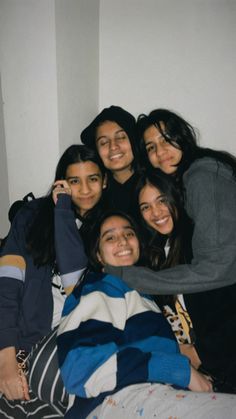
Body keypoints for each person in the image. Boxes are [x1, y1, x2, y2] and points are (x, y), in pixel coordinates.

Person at [104, 108, 236, 392]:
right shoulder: (165, 248)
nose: (160, 152)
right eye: (151, 147)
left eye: (166, 139)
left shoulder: (202, 174)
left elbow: (218, 270)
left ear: (183, 136)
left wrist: (129, 275)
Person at [57, 207, 226, 419]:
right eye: (110, 237)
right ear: (98, 255)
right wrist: (180, 370)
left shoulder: (143, 295)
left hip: (152, 397)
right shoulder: (99, 288)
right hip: (114, 400)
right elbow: (81, 368)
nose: (123, 241)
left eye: (129, 234)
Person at [0, 144, 107, 417]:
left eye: (92, 179)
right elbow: (7, 285)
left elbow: (74, 283)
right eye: (74, 181)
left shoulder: (109, 228)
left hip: (66, 333)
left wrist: (63, 213)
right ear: (61, 182)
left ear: (104, 182)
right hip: (19, 334)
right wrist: (6, 358)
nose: (84, 189)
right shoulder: (31, 216)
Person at [80, 105, 140, 215]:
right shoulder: (94, 193)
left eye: (121, 137)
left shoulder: (154, 184)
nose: (113, 146)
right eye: (103, 142)